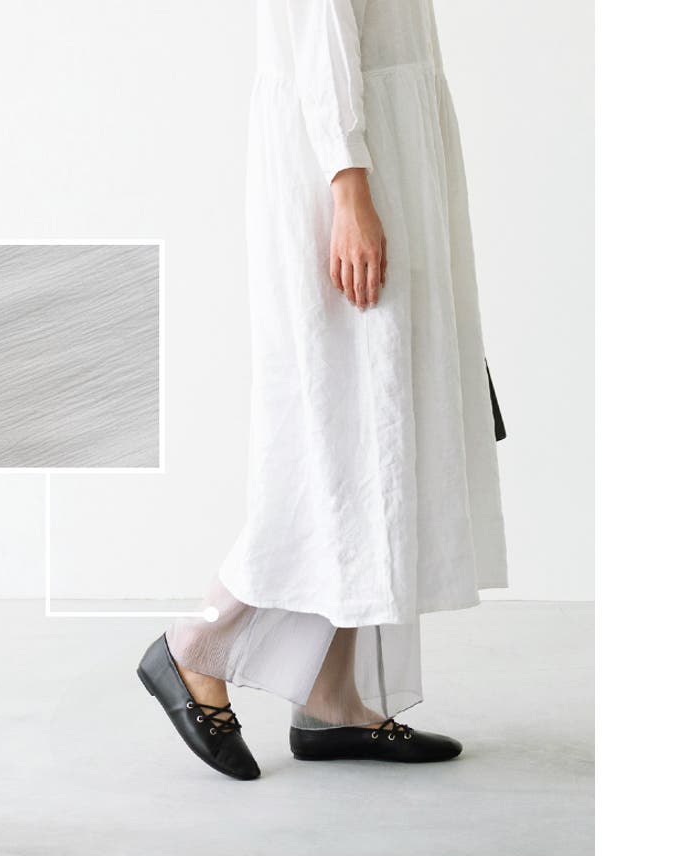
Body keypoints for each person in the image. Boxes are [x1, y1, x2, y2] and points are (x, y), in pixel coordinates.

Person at [137, 0, 508, 780]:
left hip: (380, 156)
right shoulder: (346, 173)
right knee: (339, 440)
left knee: (372, 439)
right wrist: (348, 188)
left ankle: (333, 697)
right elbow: (319, 34)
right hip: (345, 168)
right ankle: (197, 643)